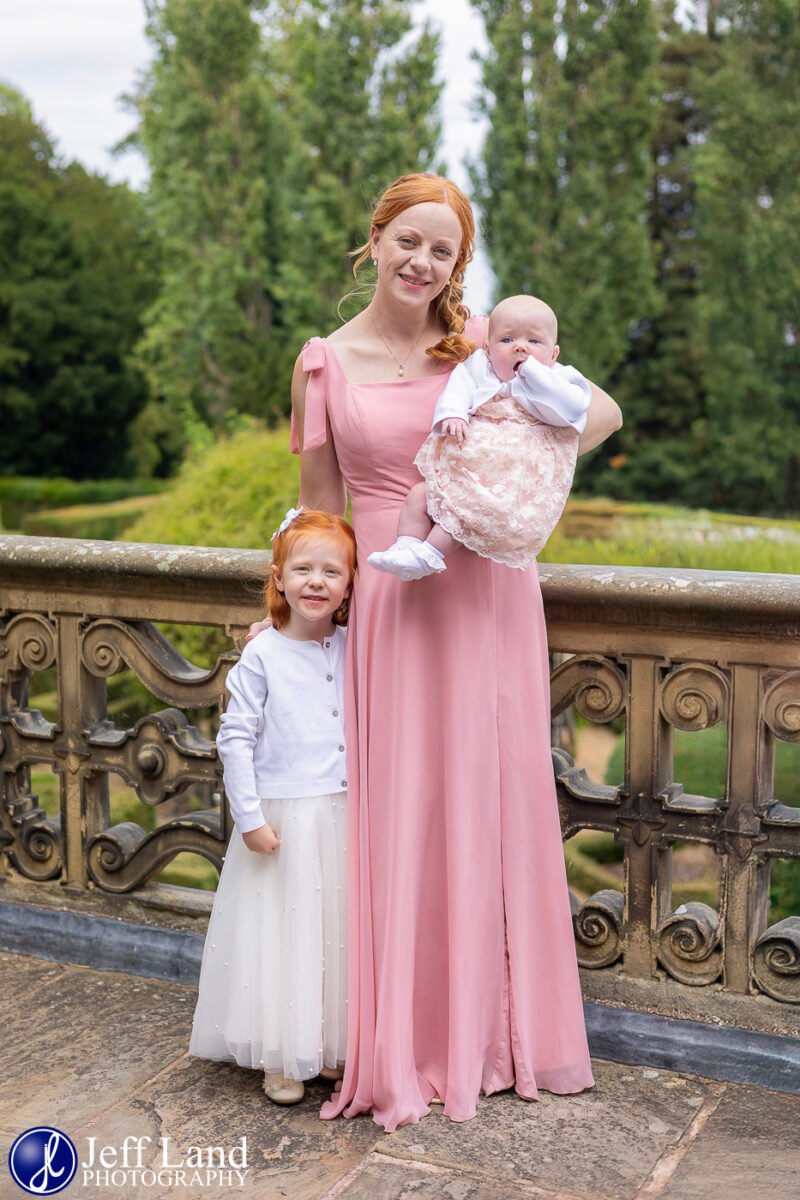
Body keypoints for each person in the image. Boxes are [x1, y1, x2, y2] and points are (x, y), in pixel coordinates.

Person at [275, 172, 621, 1131]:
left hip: (489, 588)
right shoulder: (323, 364)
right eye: (410, 242)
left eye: (445, 251)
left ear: (458, 266)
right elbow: (320, 513)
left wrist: (517, 457)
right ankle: (407, 1036)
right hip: (389, 596)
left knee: (489, 799)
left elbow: (601, 417)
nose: (424, 262)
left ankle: (497, 1037)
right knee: (404, 808)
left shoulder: (484, 350)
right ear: (376, 241)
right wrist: (295, 626)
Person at [190, 509, 357, 1106]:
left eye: (332, 571)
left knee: (335, 933)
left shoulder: (352, 645)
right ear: (278, 578)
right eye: (303, 568)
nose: (316, 581)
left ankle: (332, 1045)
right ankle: (283, 1055)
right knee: (284, 932)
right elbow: (235, 738)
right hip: (285, 816)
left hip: (340, 814)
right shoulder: (262, 656)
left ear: (348, 583)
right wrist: (251, 817)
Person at [367, 293, 591, 579]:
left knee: (463, 515)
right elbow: (458, 387)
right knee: (419, 494)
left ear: (554, 354)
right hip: (466, 467)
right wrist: (454, 413)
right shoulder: (479, 367)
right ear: (487, 348)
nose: (520, 347)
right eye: (507, 340)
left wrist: (534, 372)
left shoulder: (562, 378)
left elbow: (572, 408)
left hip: (504, 484)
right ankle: (405, 545)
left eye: (534, 342)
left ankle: (429, 555)